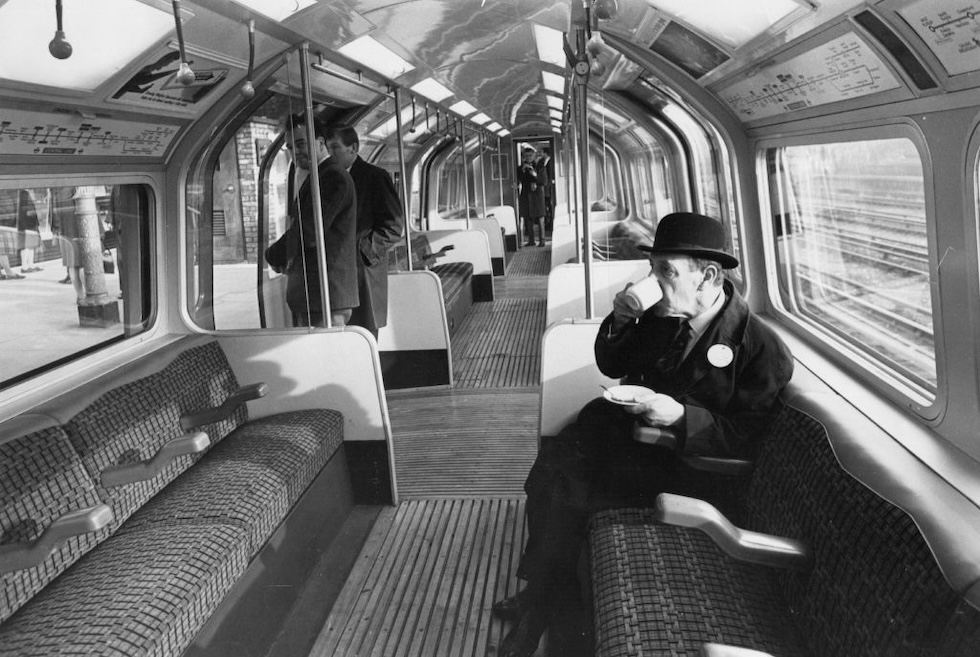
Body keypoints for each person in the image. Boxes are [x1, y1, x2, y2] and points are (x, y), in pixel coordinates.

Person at [493, 212, 795, 657]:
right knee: (549, 472)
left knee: (573, 491)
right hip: (624, 439)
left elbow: (748, 437)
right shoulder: (663, 313)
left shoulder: (760, 348)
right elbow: (613, 365)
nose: (654, 280)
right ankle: (544, 594)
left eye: (666, 271)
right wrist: (618, 320)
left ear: (707, 275)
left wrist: (680, 417)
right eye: (654, 269)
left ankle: (540, 605)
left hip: (682, 468)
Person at [265, 114, 359, 327]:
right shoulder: (319, 176)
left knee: (327, 357)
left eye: (300, 144)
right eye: (289, 147)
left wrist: (273, 254)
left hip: (326, 294)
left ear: (320, 143)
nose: (295, 152)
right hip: (316, 294)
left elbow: (309, 231)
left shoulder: (333, 177)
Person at [323, 125, 404, 339]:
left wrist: (362, 252)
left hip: (363, 274)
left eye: (335, 148)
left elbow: (393, 227)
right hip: (335, 277)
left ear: (353, 148)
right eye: (326, 148)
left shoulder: (375, 177)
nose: (330, 154)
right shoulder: (325, 181)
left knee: (365, 338)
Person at [517, 147, 546, 247]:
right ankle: (531, 240)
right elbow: (519, 180)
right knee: (528, 218)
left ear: (534, 156)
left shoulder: (540, 166)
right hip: (526, 195)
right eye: (526, 156)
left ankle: (542, 240)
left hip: (538, 196)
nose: (528, 158)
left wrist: (534, 175)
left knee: (540, 218)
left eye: (530, 156)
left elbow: (543, 181)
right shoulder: (521, 168)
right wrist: (523, 171)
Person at [16, 189, 41, 274]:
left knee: (31, 246)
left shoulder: (25, 193)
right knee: (26, 246)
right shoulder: (24, 193)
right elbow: (26, 210)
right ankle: (25, 266)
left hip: (29, 223)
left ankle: (30, 265)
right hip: (28, 224)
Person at [538, 149, 556, 235]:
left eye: (542, 152)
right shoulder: (542, 162)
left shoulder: (551, 162)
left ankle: (551, 224)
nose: (540, 154)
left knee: (550, 206)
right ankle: (549, 224)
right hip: (546, 189)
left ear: (545, 153)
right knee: (547, 206)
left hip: (549, 188)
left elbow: (550, 176)